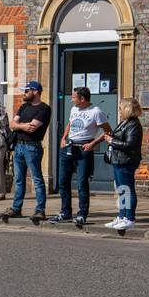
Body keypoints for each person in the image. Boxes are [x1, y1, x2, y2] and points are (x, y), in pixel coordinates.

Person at [53, 85, 111, 227]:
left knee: (82, 183)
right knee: (63, 182)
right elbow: (70, 123)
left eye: (74, 97)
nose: (72, 100)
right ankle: (65, 212)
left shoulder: (96, 112)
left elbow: (108, 131)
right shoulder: (74, 109)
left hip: (83, 149)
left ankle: (82, 214)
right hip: (68, 148)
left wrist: (93, 143)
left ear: (82, 99)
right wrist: (63, 137)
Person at [1, 81, 52, 222]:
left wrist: (19, 126)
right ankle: (16, 208)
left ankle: (40, 210)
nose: (24, 93)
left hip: (32, 147)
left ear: (35, 91)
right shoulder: (24, 107)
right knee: (18, 179)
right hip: (18, 146)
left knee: (37, 179)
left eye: (27, 90)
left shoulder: (44, 109)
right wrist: (22, 126)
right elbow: (12, 124)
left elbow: (33, 127)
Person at [102, 97, 143, 230]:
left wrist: (111, 141)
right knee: (121, 190)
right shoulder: (124, 122)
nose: (119, 111)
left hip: (126, 161)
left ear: (127, 109)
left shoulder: (134, 125)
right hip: (118, 160)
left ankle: (129, 218)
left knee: (127, 190)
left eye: (120, 108)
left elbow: (130, 144)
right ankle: (122, 216)